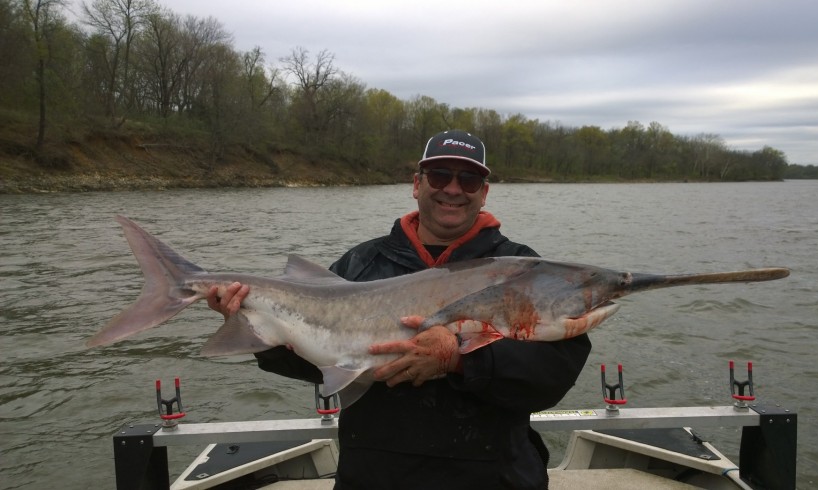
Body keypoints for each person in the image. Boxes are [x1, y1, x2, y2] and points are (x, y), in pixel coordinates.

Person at [208, 130, 591, 490]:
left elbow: (554, 374)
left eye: (468, 180)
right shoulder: (360, 264)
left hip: (493, 476)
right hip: (376, 476)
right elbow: (317, 361)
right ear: (416, 184)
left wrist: (459, 360)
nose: (453, 189)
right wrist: (252, 324)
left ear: (484, 193)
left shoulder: (522, 269)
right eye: (439, 175)